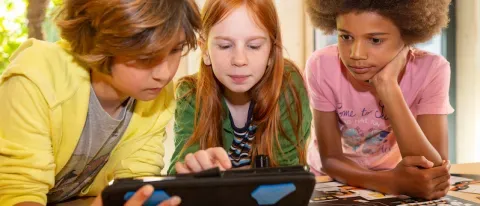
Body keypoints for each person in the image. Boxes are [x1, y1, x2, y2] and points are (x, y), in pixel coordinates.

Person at [0, 0, 200, 205]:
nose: (165, 73)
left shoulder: (157, 96)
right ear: (100, 43)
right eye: (146, 57)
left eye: (176, 50)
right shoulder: (35, 78)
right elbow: (18, 193)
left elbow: (135, 183)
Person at [305, 0, 453, 200]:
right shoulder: (322, 65)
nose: (356, 54)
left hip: (400, 181)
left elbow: (434, 172)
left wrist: (387, 86)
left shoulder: (432, 70)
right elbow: (330, 159)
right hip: (331, 181)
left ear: (407, 35)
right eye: (346, 37)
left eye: (375, 40)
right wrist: (391, 182)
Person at [169, 0, 312, 174]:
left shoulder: (288, 85)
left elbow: (288, 175)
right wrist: (191, 168)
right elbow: (180, 169)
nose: (239, 60)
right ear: (205, 50)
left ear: (271, 52)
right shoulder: (190, 94)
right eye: (225, 46)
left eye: (254, 46)